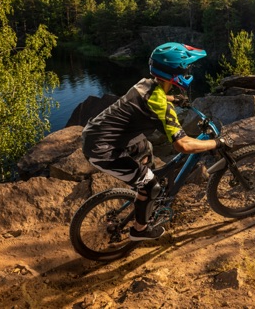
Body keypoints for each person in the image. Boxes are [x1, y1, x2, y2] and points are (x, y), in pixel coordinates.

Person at [82, 42, 231, 241]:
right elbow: (183, 145)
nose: (188, 72)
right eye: (185, 69)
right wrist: (216, 143)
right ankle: (139, 230)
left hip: (98, 135)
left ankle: (145, 197)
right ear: (175, 72)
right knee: (150, 185)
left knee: (146, 147)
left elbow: (153, 95)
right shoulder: (160, 105)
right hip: (102, 150)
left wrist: (174, 99)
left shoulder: (145, 83)